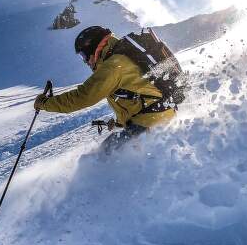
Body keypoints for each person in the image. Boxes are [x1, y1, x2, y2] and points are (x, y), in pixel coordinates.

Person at [34, 26, 175, 152]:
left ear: (92, 47)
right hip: (157, 114)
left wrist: (45, 103)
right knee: (108, 150)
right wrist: (119, 123)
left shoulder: (113, 66)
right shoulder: (118, 59)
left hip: (151, 119)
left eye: (83, 56)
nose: (86, 62)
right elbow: (136, 95)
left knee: (105, 155)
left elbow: (82, 97)